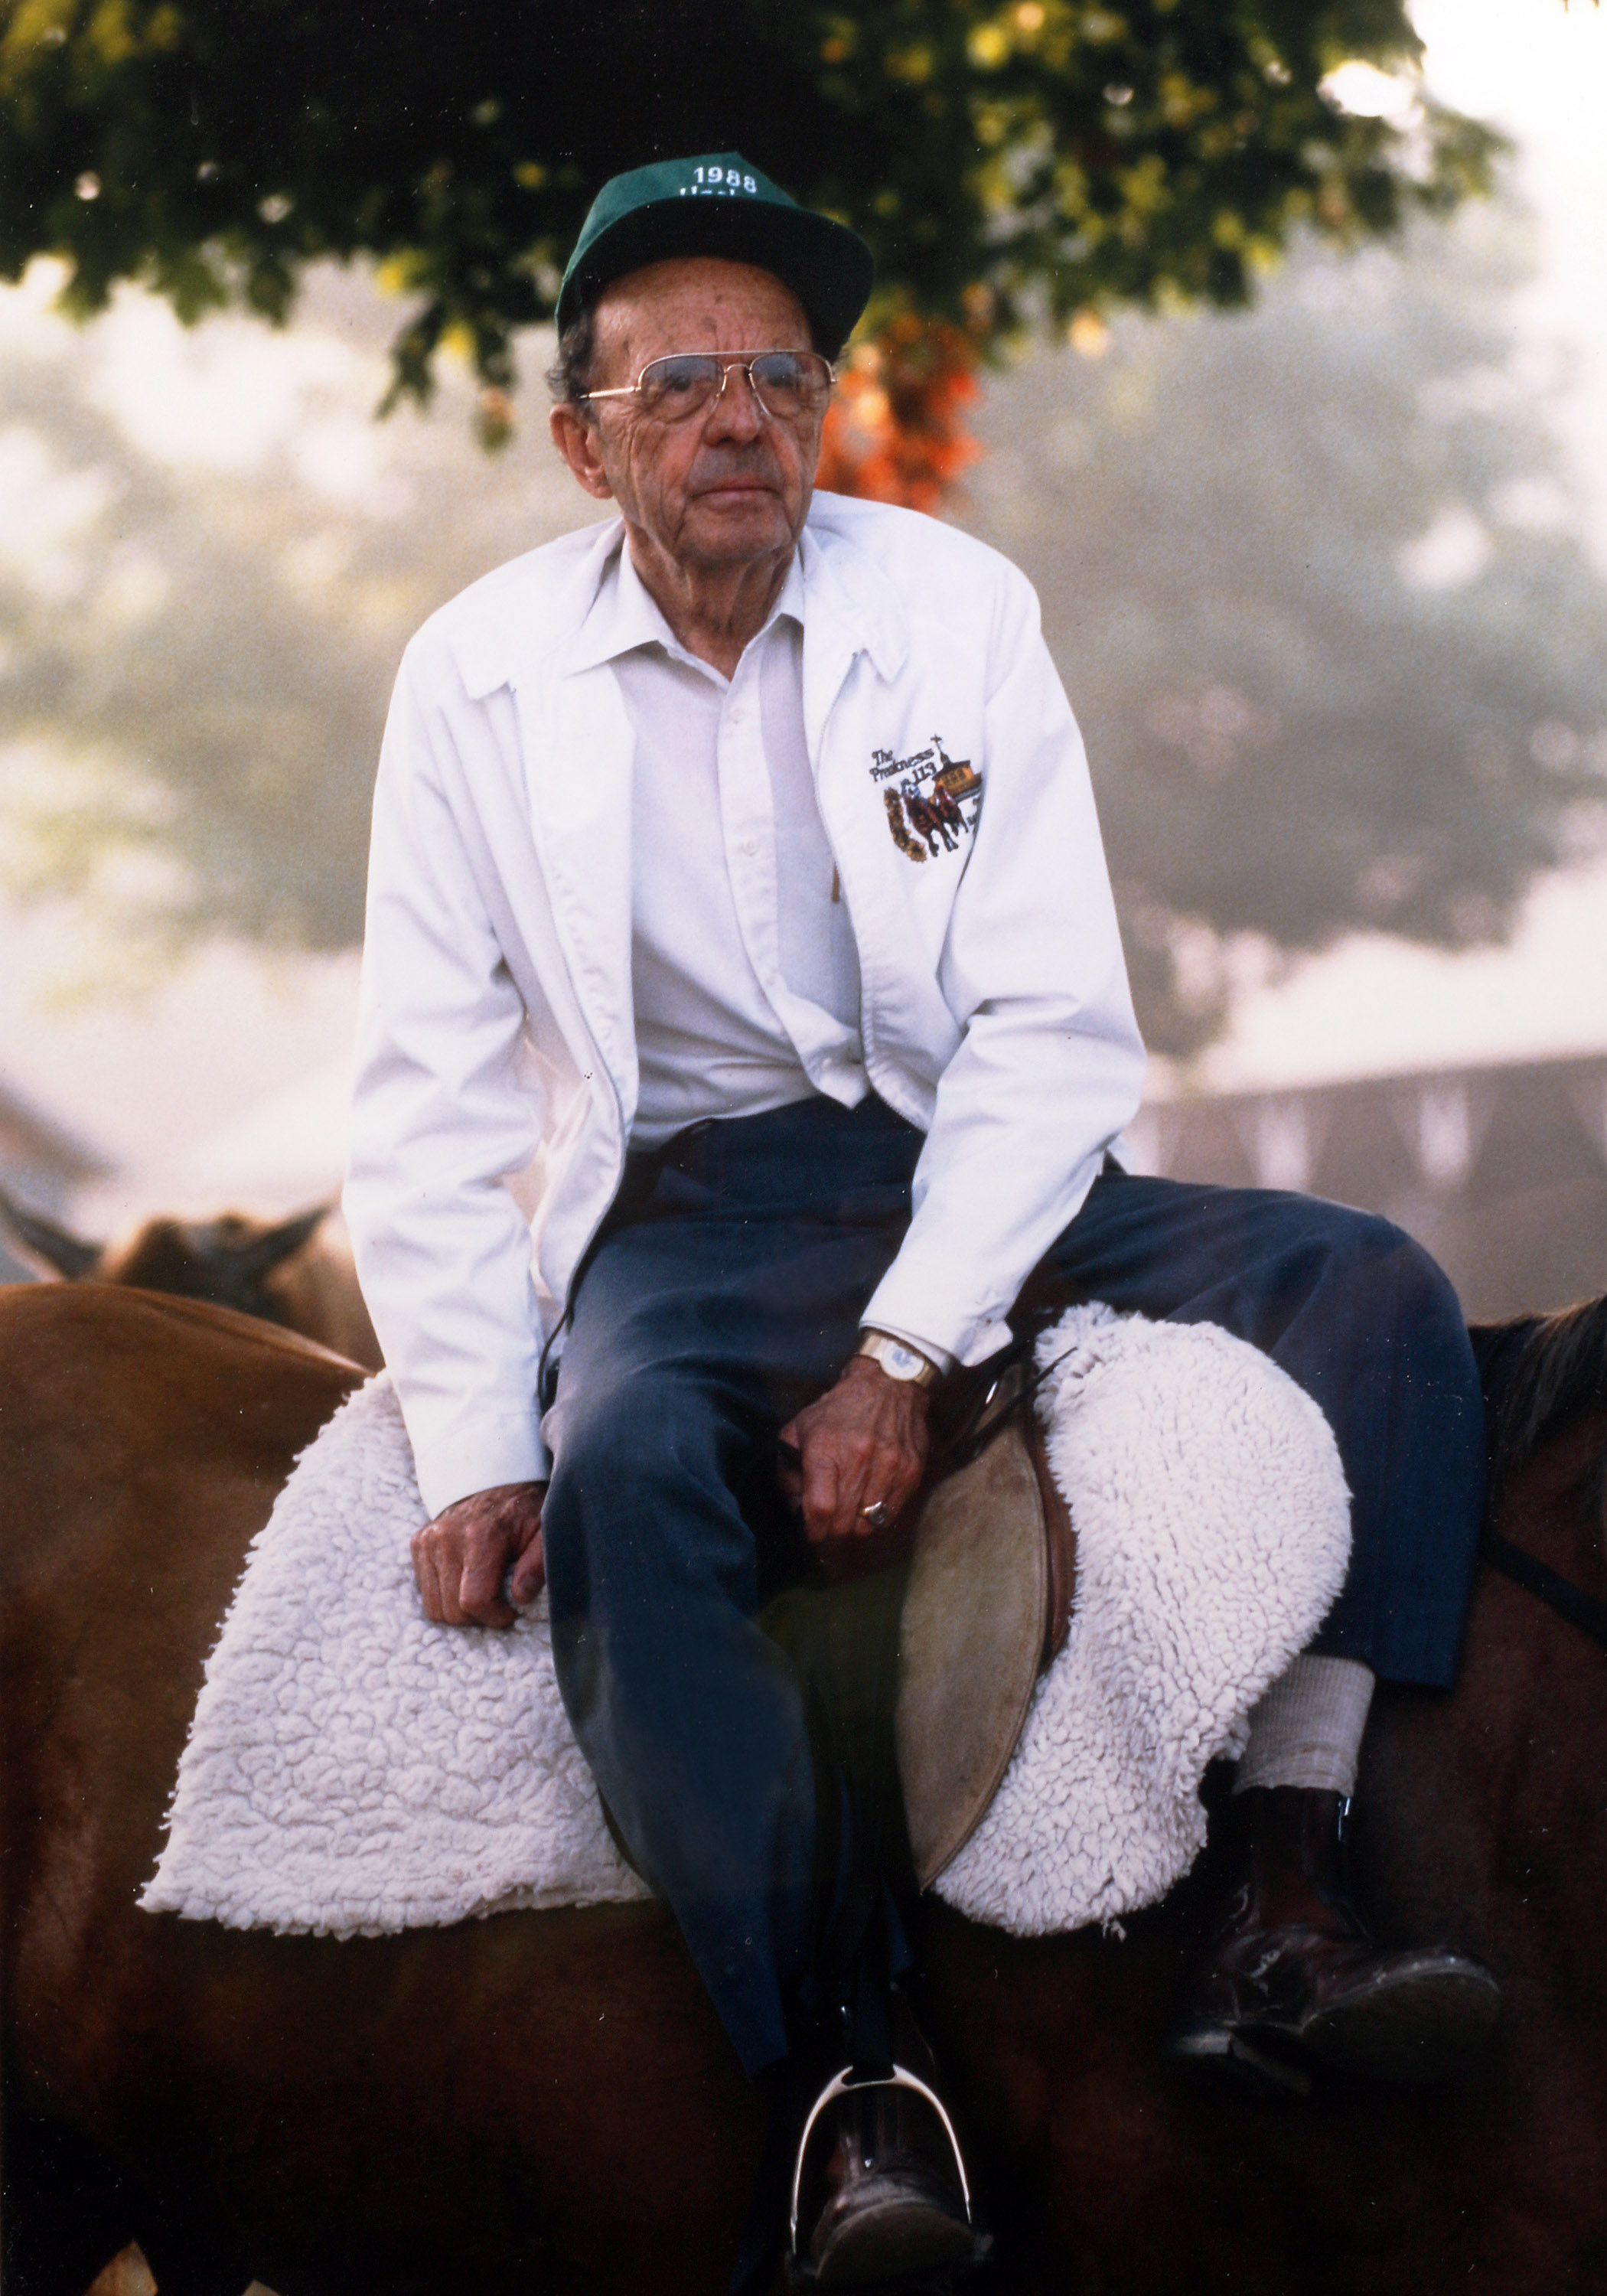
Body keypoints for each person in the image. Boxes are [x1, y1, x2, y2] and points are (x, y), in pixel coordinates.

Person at [344, 152, 1499, 2288]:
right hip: (687, 1217)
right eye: (677, 378)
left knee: (1379, 1293)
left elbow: (1055, 1030)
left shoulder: (953, 612)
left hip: (978, 1163)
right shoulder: (472, 683)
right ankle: (848, 2083)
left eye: (780, 372)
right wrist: (470, 1446)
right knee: (622, 1495)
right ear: (580, 431)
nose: (737, 418)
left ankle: (1284, 1895)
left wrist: (907, 1348)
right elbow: (420, 1094)